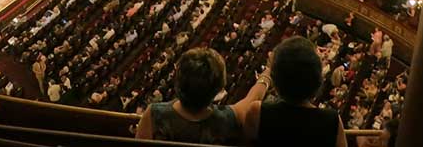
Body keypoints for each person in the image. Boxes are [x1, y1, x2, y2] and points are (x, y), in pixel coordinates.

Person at [136, 47, 268, 144]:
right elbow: (254, 97)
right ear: (219, 88)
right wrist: (267, 74)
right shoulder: (229, 118)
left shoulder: (155, 114)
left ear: (178, 80)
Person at [242, 37, 346, 146]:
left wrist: (264, 79)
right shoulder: (332, 121)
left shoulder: (257, 112)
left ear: (276, 79)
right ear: (316, 79)